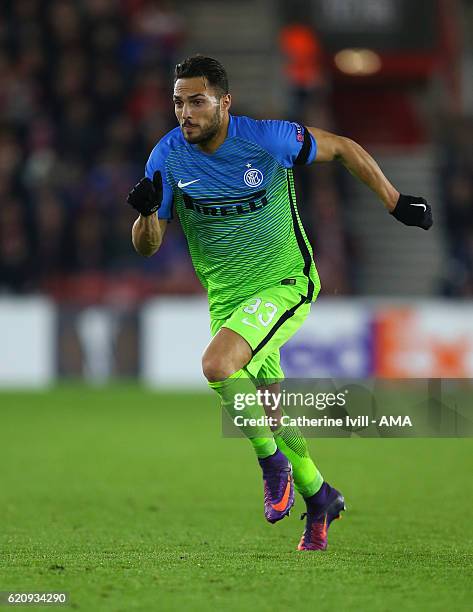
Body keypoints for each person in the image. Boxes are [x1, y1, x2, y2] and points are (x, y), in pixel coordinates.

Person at [127, 55, 432, 551]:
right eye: (179, 102)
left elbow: (345, 148)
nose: (186, 113)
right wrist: (144, 215)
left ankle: (273, 466)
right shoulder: (166, 158)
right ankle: (320, 495)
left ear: (224, 103)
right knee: (271, 408)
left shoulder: (266, 139)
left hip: (285, 284)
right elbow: (149, 245)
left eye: (198, 102)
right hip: (227, 299)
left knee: (218, 365)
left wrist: (395, 202)